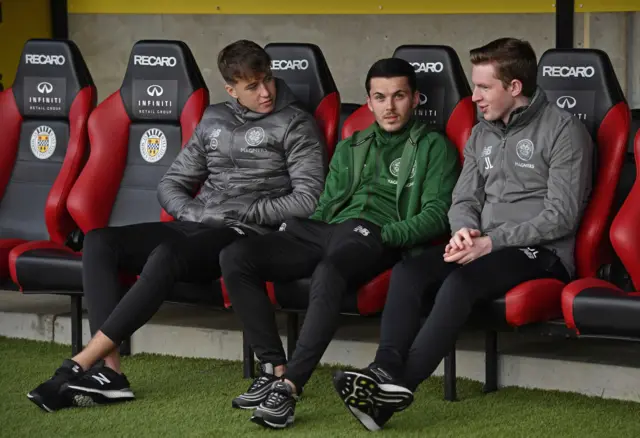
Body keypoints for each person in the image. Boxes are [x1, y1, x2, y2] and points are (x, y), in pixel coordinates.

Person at [27, 39, 327, 413]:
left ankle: (79, 363)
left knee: (168, 254)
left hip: (246, 233)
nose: (265, 92)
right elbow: (170, 185)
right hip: (199, 223)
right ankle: (110, 372)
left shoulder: (296, 122)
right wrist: (200, 213)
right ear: (231, 89)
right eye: (252, 86)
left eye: (267, 79)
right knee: (100, 241)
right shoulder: (214, 118)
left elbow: (308, 199)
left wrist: (244, 212)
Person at [332, 37, 594, 431]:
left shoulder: (563, 131)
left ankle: (398, 389)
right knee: (409, 273)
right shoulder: (480, 132)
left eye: (484, 87)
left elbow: (562, 217)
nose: (474, 97)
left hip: (540, 252)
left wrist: (492, 242)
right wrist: (463, 232)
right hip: (482, 245)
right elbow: (463, 198)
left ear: (515, 87)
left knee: (459, 283)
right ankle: (383, 370)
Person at [219, 57, 461, 429]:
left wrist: (387, 235)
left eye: (399, 96)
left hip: (375, 233)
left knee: (330, 271)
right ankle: (272, 366)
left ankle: (288, 388)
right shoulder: (352, 144)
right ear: (368, 101)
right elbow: (328, 202)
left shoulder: (433, 147)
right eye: (380, 97)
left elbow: (436, 215)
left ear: (415, 99)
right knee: (237, 256)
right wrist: (300, 231)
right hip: (325, 230)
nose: (389, 106)